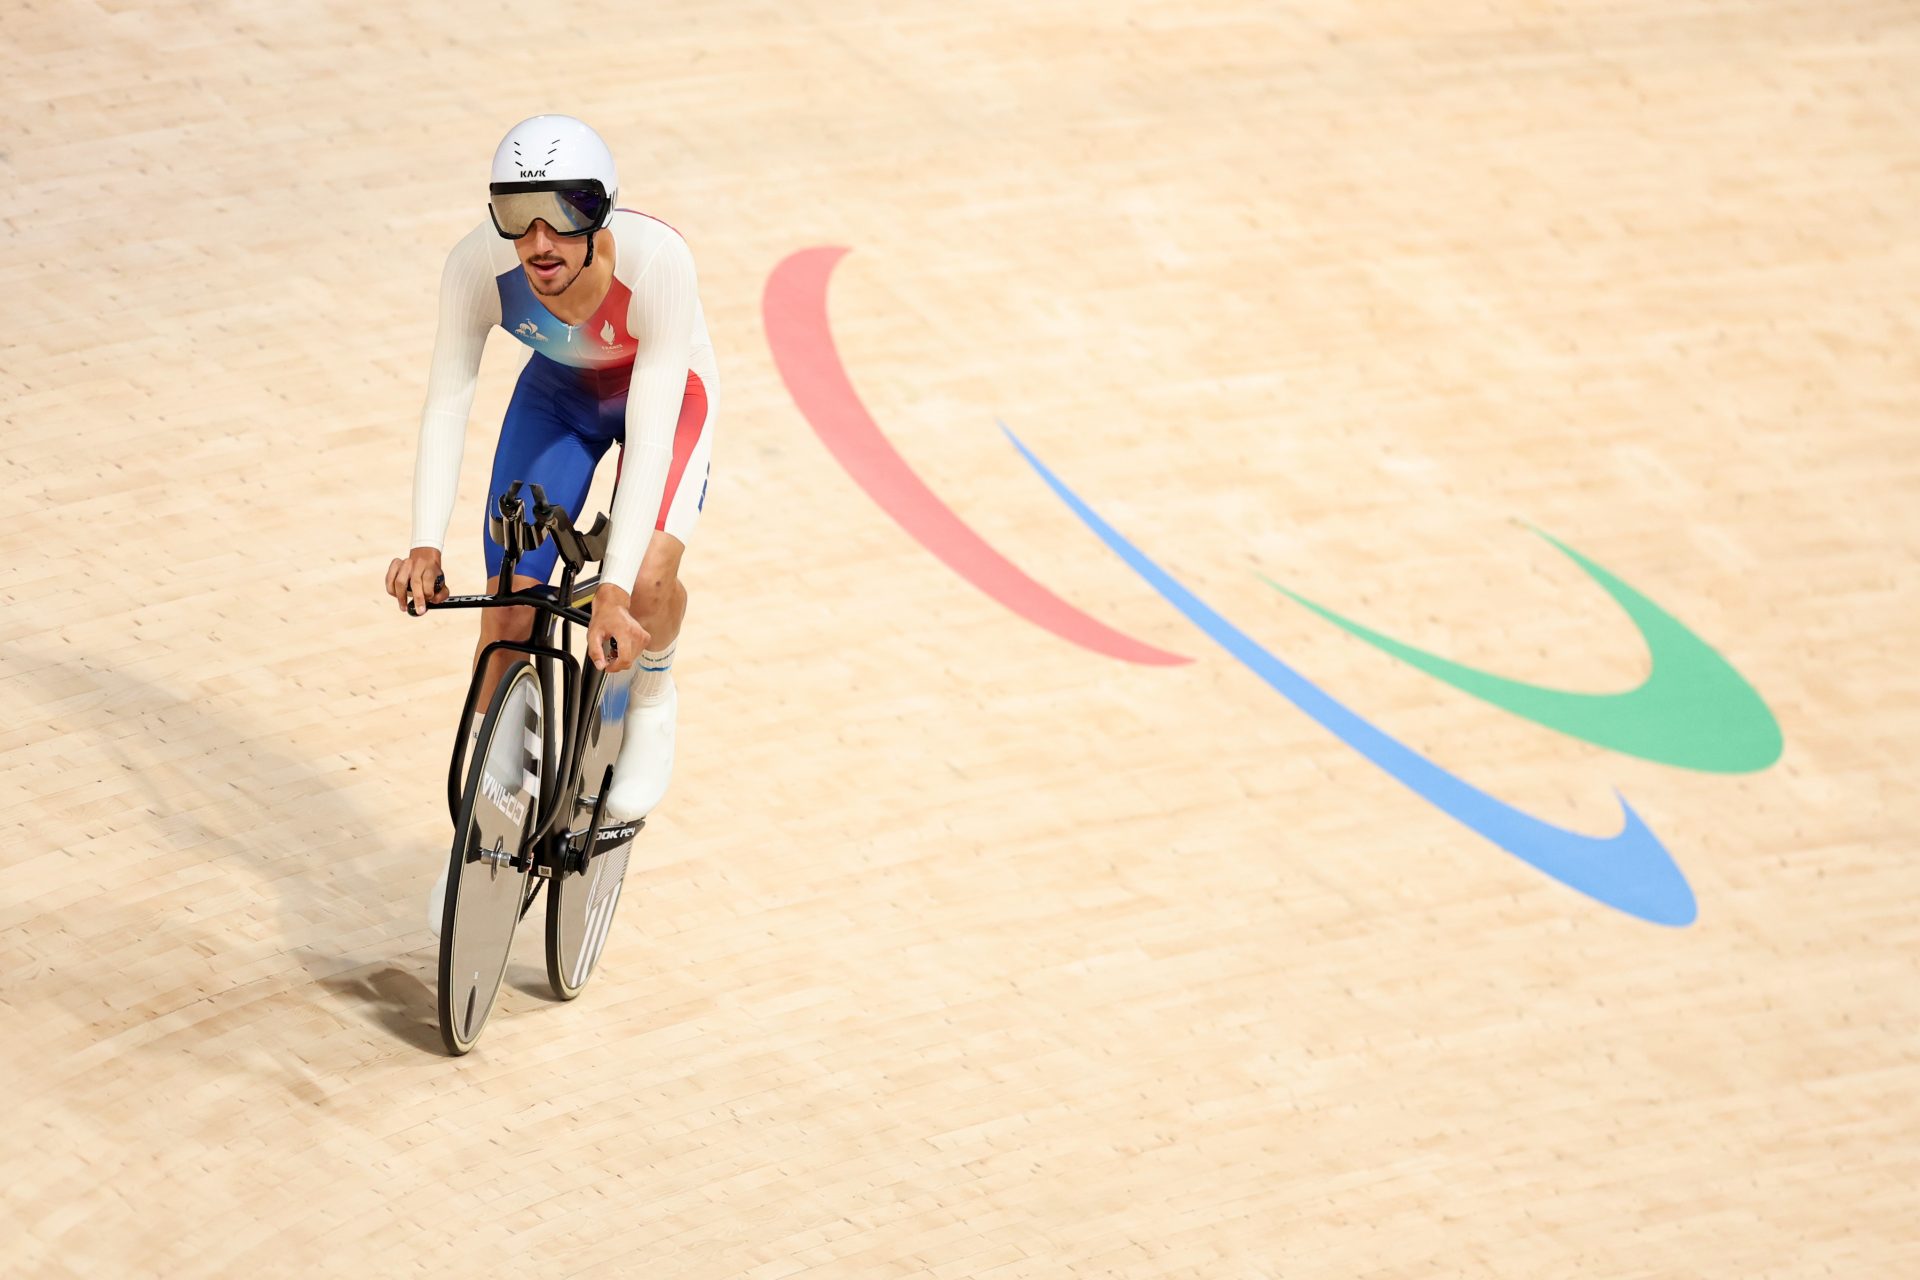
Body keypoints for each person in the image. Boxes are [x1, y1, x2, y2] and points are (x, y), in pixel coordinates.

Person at [384, 114, 718, 934]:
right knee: (507, 611)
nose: (538, 242)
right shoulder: (476, 267)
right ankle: (474, 844)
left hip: (664, 399)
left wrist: (610, 591)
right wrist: (425, 539)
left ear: (599, 213)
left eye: (561, 215)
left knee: (643, 581)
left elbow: (646, 443)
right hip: (560, 398)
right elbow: (448, 399)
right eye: (515, 214)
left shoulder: (657, 263)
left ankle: (653, 694)